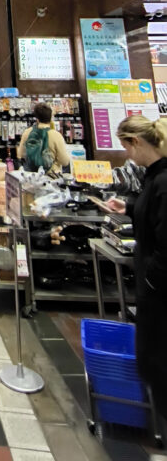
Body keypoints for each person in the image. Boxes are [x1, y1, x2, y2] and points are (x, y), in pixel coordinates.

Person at [105, 115, 167, 420]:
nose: (127, 155)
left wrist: (152, 281)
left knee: (158, 358)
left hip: (159, 290)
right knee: (152, 357)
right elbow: (151, 216)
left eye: (127, 147)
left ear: (137, 142)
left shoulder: (163, 180)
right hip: (152, 285)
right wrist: (128, 207)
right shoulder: (154, 176)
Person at [17, 102, 70, 177]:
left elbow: (21, 154)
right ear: (50, 118)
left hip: (31, 177)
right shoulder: (56, 135)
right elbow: (65, 161)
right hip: (51, 177)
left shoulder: (27, 132)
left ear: (37, 119)